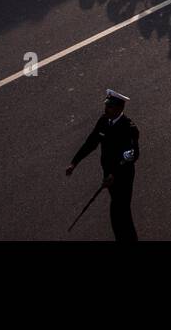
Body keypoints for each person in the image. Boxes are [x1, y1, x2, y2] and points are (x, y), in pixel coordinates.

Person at [66, 89, 140, 242]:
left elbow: (132, 156)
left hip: (123, 176)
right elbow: (91, 142)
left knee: (120, 210)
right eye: (107, 105)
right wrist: (74, 162)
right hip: (108, 174)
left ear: (120, 109)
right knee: (118, 209)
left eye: (110, 106)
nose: (106, 109)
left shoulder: (129, 128)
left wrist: (114, 175)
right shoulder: (103, 121)